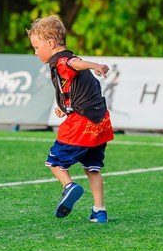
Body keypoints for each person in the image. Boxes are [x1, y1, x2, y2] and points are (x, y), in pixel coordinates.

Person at [27, 15, 114, 223]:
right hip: (100, 122)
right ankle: (99, 211)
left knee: (55, 162)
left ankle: (69, 186)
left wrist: (94, 65)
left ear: (51, 43)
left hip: (82, 121)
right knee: (92, 167)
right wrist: (65, 108)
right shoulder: (68, 59)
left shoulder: (61, 61)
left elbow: (73, 64)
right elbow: (77, 86)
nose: (35, 52)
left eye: (37, 47)